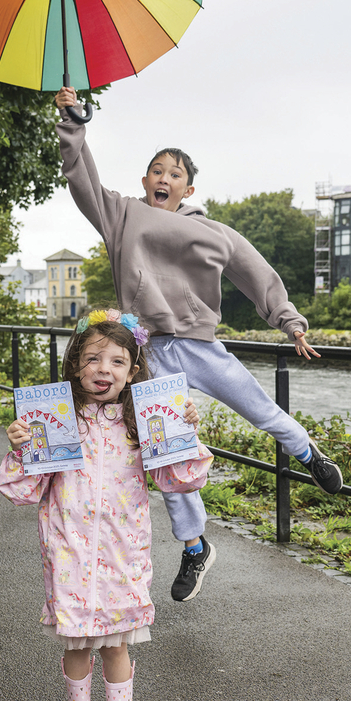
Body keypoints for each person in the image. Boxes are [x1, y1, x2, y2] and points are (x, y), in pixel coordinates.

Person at [54, 86, 344, 603]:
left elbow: (255, 272)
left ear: (187, 188)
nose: (164, 178)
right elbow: (82, 181)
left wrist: (291, 323)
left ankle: (309, 454)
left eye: (175, 174)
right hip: (150, 353)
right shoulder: (120, 214)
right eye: (156, 170)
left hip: (202, 345)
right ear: (145, 180)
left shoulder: (214, 232)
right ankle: (194, 547)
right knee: (169, 453)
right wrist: (74, 123)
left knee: (259, 407)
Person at [0, 310, 213, 701]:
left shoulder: (142, 424)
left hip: (122, 553)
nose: (104, 369)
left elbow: (182, 479)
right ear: (76, 364)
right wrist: (20, 446)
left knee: (117, 645)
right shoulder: (55, 421)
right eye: (93, 359)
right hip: (69, 552)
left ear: (133, 372)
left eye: (117, 362)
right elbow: (21, 491)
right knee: (75, 644)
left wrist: (183, 430)